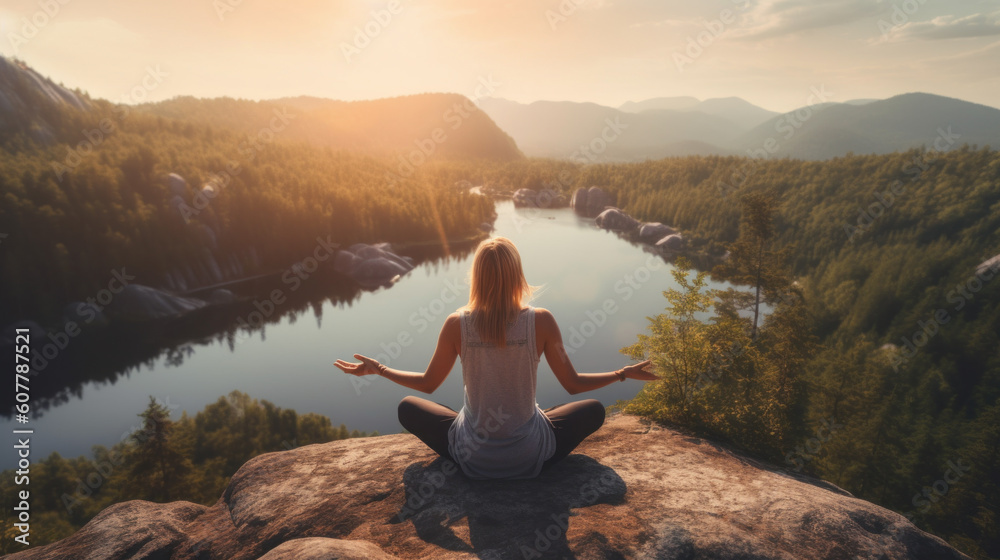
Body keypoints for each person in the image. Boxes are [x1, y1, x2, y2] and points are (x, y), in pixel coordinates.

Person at [335, 236, 656, 479]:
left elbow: (428, 384)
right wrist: (623, 373)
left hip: (472, 458)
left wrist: (380, 369)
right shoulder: (541, 320)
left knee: (408, 407)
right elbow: (572, 384)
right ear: (517, 275)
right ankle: (531, 425)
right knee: (593, 411)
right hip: (530, 456)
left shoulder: (457, 323)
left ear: (477, 277)